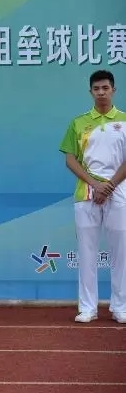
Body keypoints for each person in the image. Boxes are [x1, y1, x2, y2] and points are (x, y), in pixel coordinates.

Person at [59, 69, 126, 324]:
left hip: (119, 192)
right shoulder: (78, 123)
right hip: (86, 192)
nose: (101, 93)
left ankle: (120, 306)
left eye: (105, 88)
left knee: (121, 252)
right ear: (90, 92)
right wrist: (95, 184)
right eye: (96, 89)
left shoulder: (124, 120)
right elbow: (70, 159)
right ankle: (88, 308)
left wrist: (109, 185)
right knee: (87, 253)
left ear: (113, 90)